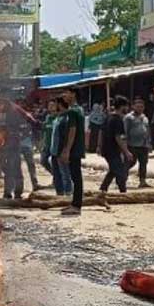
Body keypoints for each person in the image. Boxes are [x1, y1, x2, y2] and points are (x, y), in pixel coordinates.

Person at [97, 96, 134, 201]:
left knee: (113, 170)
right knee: (120, 172)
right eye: (126, 106)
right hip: (113, 150)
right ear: (122, 107)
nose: (127, 109)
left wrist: (99, 146)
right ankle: (123, 193)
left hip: (106, 149)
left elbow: (101, 131)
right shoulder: (118, 120)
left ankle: (102, 190)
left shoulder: (108, 117)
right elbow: (118, 137)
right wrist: (126, 152)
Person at [57, 88, 85, 216]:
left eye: (67, 93)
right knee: (76, 176)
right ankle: (75, 203)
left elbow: (72, 131)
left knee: (76, 177)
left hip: (74, 149)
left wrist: (66, 150)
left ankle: (76, 206)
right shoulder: (79, 109)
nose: (64, 95)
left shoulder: (73, 111)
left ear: (73, 94)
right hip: (77, 148)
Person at [125, 97, 151, 189]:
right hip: (132, 144)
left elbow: (147, 130)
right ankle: (122, 178)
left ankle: (142, 181)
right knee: (130, 163)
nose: (140, 108)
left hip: (143, 145)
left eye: (141, 107)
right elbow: (125, 131)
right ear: (133, 107)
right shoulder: (129, 117)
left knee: (143, 163)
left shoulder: (145, 118)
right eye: (138, 106)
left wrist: (149, 143)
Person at [40, 99, 64, 195]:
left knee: (56, 164)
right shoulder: (48, 117)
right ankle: (56, 176)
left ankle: (58, 181)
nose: (50, 107)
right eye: (49, 105)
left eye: (52, 105)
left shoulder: (58, 117)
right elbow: (45, 130)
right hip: (47, 144)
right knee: (43, 161)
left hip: (55, 145)